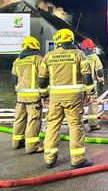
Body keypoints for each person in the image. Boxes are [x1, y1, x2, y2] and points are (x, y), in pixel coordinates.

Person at [37, 28, 95, 169]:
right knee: (75, 127)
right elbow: (87, 77)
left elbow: (41, 81)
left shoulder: (48, 56)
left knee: (52, 127)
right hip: (74, 99)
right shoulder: (79, 54)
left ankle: (49, 159)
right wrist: (91, 92)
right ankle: (77, 160)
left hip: (55, 99)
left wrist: (44, 95)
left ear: (58, 41)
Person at [11, 36, 44, 154]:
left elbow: (14, 78)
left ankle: (16, 143)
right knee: (33, 120)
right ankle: (32, 147)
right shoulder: (38, 59)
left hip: (20, 97)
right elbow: (42, 78)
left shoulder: (17, 61)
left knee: (19, 119)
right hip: (34, 97)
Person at [81, 38, 104, 131]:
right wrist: (101, 82)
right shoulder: (94, 57)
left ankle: (78, 124)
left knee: (78, 105)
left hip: (80, 86)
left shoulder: (79, 56)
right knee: (92, 104)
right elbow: (99, 71)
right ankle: (93, 124)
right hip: (91, 85)